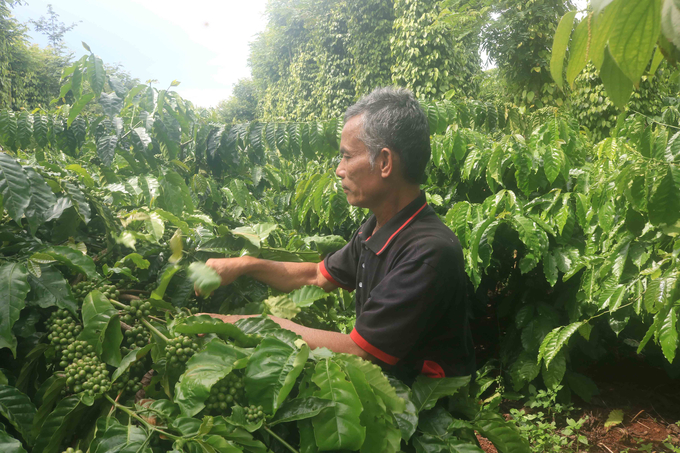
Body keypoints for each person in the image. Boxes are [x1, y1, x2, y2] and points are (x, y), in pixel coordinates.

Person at [200, 87, 475, 380]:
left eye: (346, 157)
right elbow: (315, 277)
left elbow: (361, 351)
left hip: (423, 405)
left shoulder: (427, 252)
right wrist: (244, 265)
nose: (339, 170)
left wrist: (239, 323)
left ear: (384, 162)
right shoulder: (378, 226)